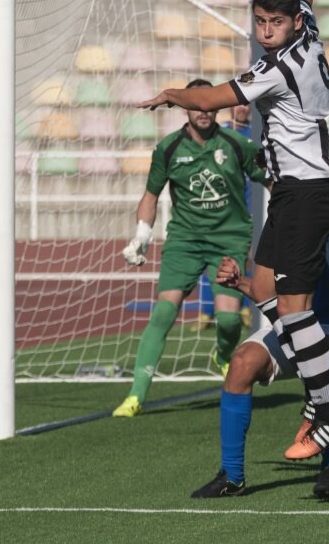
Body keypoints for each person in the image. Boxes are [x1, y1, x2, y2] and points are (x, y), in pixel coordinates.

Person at [139, 0, 329, 458]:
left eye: (273, 23)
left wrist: (171, 93)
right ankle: (319, 398)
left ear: (293, 25)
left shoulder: (278, 67)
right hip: (291, 197)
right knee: (263, 288)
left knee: (296, 308)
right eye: (258, 22)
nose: (264, 32)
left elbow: (210, 99)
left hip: (310, 194)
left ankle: (327, 408)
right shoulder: (307, 31)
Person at [191, 204, 329, 500]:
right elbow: (272, 295)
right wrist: (239, 282)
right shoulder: (281, 213)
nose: (268, 172)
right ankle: (232, 476)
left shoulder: (327, 205)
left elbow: (299, 297)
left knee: (309, 351)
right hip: (294, 324)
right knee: (241, 363)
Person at [113, 78, 268, 418]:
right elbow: (150, 195)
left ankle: (224, 356)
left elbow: (267, 175)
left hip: (228, 240)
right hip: (184, 240)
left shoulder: (235, 143)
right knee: (164, 312)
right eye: (197, 105)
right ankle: (135, 396)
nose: (204, 111)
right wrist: (141, 235)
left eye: (209, 105)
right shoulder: (168, 148)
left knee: (229, 321)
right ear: (185, 108)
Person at [192, 103, 254, 332]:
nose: (242, 109)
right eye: (238, 104)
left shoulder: (256, 135)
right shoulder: (218, 134)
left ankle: (247, 308)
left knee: (246, 259)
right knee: (209, 259)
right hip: (217, 209)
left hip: (247, 210)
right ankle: (206, 312)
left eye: (246, 105)